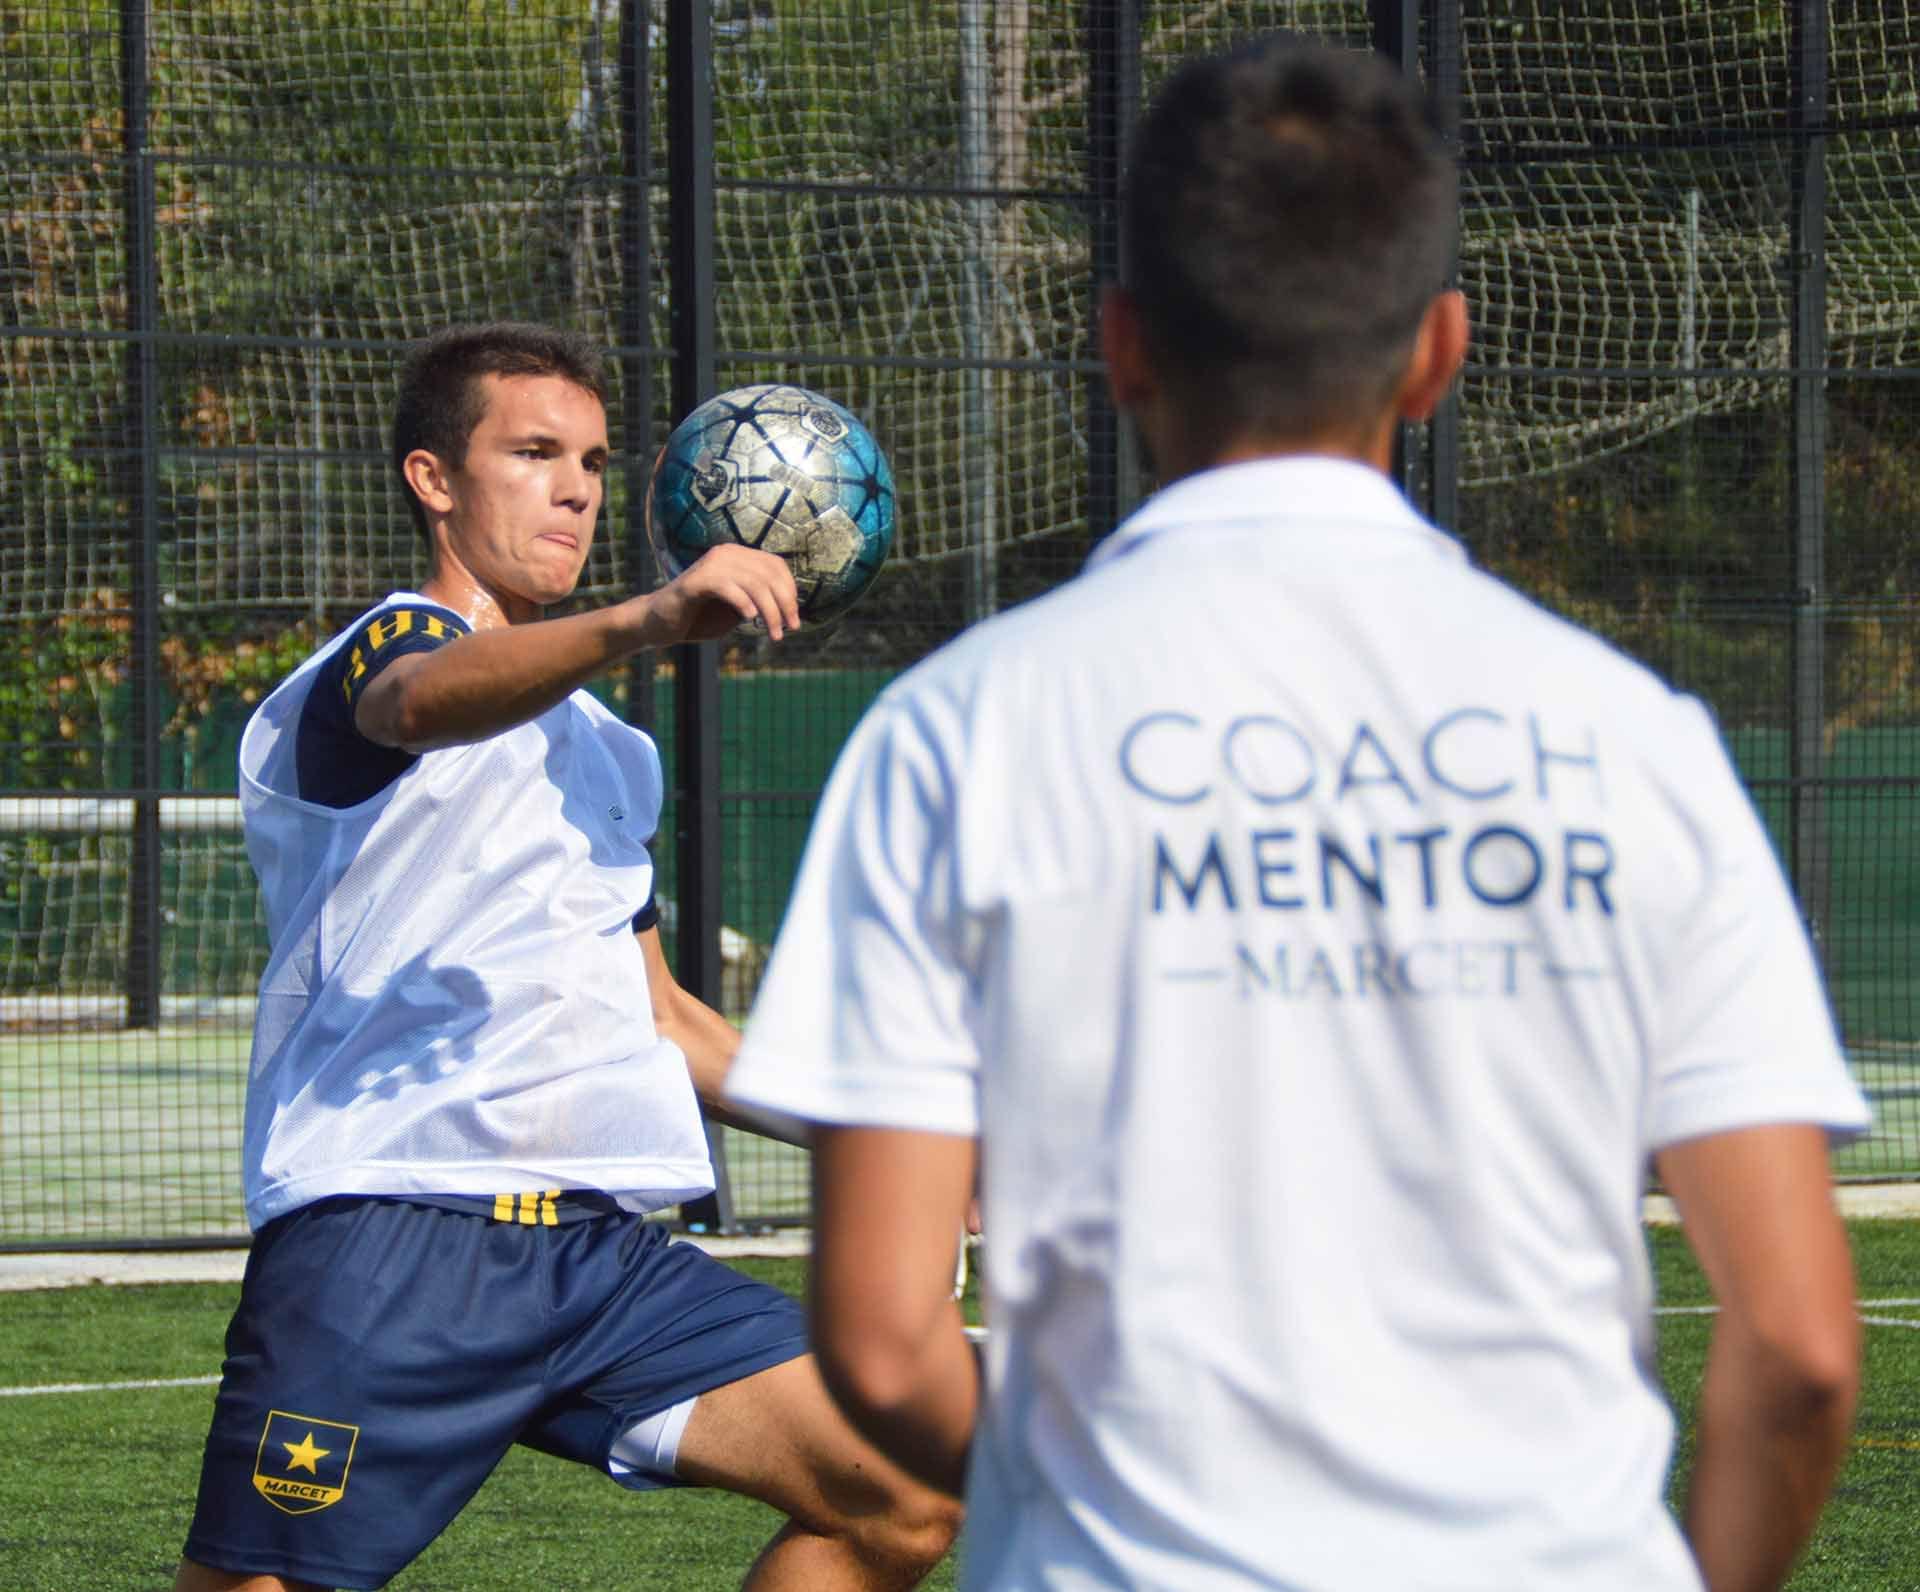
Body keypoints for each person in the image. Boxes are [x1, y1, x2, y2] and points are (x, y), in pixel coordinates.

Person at [726, 34, 1869, 1592]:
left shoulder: (960, 731)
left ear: (1123, 346)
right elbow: (1801, 1345)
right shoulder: (1633, 739)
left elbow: (875, 1333)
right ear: (1440, 350)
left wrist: (1076, 1507)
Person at [174, 322, 959, 1592]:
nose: (575, 487)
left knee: (904, 1484)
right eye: (532, 451)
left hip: (599, 1260)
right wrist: (648, 615)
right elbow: (423, 700)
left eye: (592, 460)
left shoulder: (606, 750)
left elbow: (664, 1020)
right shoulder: (380, 654)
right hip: (394, 1234)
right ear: (435, 478)